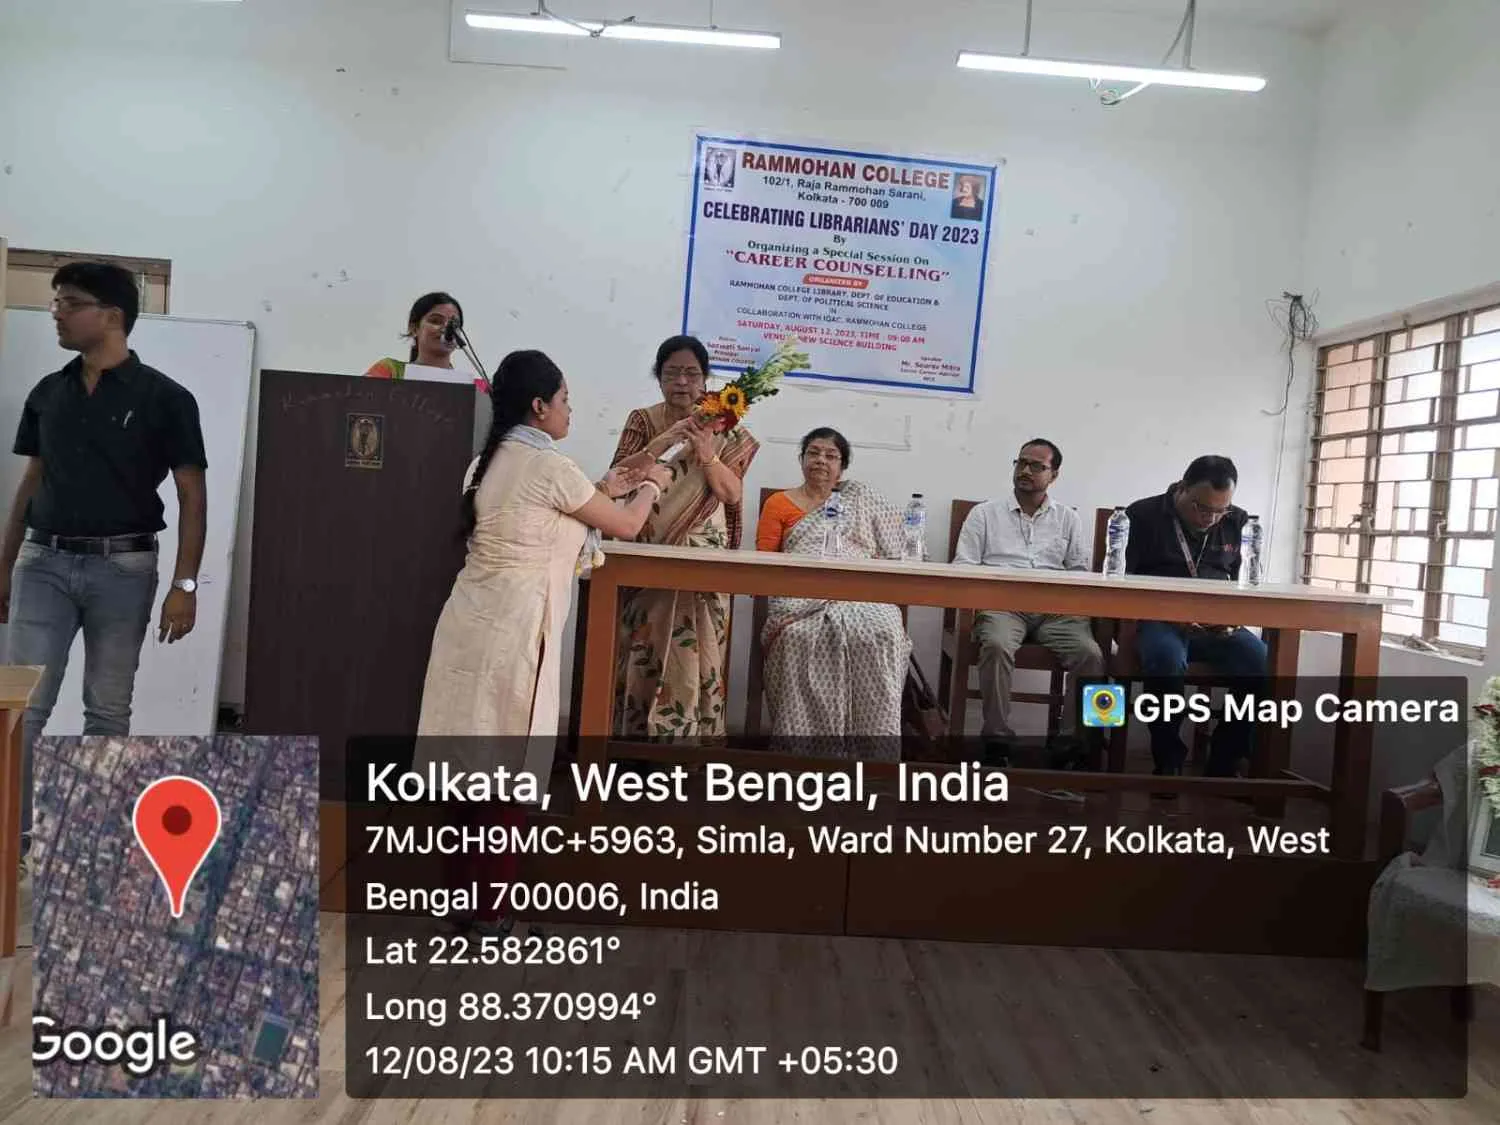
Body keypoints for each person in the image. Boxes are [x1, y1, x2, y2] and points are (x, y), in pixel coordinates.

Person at [415, 349, 668, 933]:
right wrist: (652, 485)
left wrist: (608, 484)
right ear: (539, 406)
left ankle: (462, 903)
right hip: (515, 630)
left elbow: (544, 516)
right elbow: (627, 525)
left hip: (468, 623)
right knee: (505, 771)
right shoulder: (551, 467)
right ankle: (491, 911)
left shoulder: (484, 463)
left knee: (466, 769)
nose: (570, 411)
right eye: (565, 400)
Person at [1, 262, 207, 864]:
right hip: (43, 562)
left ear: (112, 316)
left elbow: (192, 494)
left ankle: (88, 843)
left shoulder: (167, 399)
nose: (57, 313)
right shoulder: (49, 393)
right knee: (23, 707)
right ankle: (14, 843)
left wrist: (185, 584)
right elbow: (31, 482)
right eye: (56, 301)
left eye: (70, 302)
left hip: (125, 568)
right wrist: (5, 562)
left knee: (107, 709)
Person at [608, 335, 759, 741]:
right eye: (672, 373)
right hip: (647, 547)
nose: (681, 382)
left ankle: (692, 743)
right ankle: (635, 741)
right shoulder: (643, 420)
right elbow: (618, 480)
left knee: (700, 650)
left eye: (691, 373)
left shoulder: (726, 427)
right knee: (644, 644)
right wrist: (664, 441)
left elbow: (731, 493)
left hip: (702, 552)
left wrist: (707, 453)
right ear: (658, 378)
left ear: (705, 380)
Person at [756, 428, 910, 759]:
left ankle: (872, 755)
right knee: (798, 637)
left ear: (843, 467)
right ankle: (803, 754)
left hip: (860, 590)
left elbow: (900, 549)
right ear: (801, 459)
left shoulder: (860, 498)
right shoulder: (778, 503)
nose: (821, 460)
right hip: (798, 593)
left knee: (883, 632)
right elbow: (764, 562)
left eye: (831, 455)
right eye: (813, 452)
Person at [953, 439, 1103, 767]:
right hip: (1002, 606)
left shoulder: (1068, 518)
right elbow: (963, 566)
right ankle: (996, 740)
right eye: (1021, 462)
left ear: (1054, 475)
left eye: (1037, 466)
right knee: (995, 645)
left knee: (1092, 655)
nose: (1025, 470)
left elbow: (1079, 572)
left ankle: (1074, 743)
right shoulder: (984, 514)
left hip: (1056, 612)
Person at [1124, 455, 1267, 779]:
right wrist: (1167, 614)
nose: (1210, 518)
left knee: (1262, 662)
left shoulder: (1238, 522)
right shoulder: (1143, 515)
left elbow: (1248, 583)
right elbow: (1120, 581)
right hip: (1158, 622)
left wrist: (1230, 617)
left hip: (1215, 626)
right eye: (1202, 508)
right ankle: (1168, 759)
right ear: (1182, 488)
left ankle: (1225, 758)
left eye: (1220, 511)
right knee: (1166, 659)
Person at [365, 291, 466, 380]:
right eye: (435, 321)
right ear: (414, 329)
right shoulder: (390, 371)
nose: (447, 328)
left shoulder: (471, 385)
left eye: (454, 325)